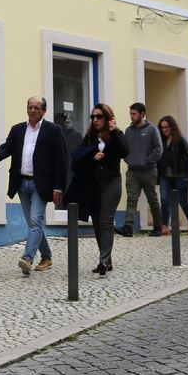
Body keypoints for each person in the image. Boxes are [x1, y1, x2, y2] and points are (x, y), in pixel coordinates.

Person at [0, 96, 68, 275]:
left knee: (35, 221)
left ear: (44, 111)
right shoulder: (18, 129)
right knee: (34, 223)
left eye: (36, 108)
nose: (32, 110)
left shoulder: (53, 131)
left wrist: (58, 187)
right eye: (30, 107)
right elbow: (7, 147)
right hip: (21, 183)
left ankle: (27, 258)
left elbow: (61, 161)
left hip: (41, 184)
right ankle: (47, 257)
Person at [75, 104, 126, 274]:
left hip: (111, 182)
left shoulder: (116, 134)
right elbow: (78, 157)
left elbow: (124, 152)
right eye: (93, 117)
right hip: (94, 183)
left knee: (106, 221)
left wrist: (113, 132)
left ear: (108, 118)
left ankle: (103, 261)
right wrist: (92, 157)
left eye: (99, 116)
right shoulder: (90, 137)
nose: (95, 120)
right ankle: (107, 261)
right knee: (97, 222)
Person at [119, 103, 162, 237]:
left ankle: (158, 227)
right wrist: (129, 160)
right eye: (130, 114)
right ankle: (128, 227)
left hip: (148, 171)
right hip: (132, 171)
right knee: (132, 198)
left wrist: (148, 161)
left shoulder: (152, 130)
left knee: (152, 199)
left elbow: (158, 149)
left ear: (142, 114)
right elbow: (124, 149)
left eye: (134, 114)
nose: (132, 116)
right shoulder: (128, 131)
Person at [155, 115, 188, 235]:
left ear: (172, 127)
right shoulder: (160, 140)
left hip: (180, 175)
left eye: (166, 127)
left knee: (183, 201)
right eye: (162, 127)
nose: (164, 130)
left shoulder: (180, 140)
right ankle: (164, 225)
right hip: (165, 175)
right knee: (164, 200)